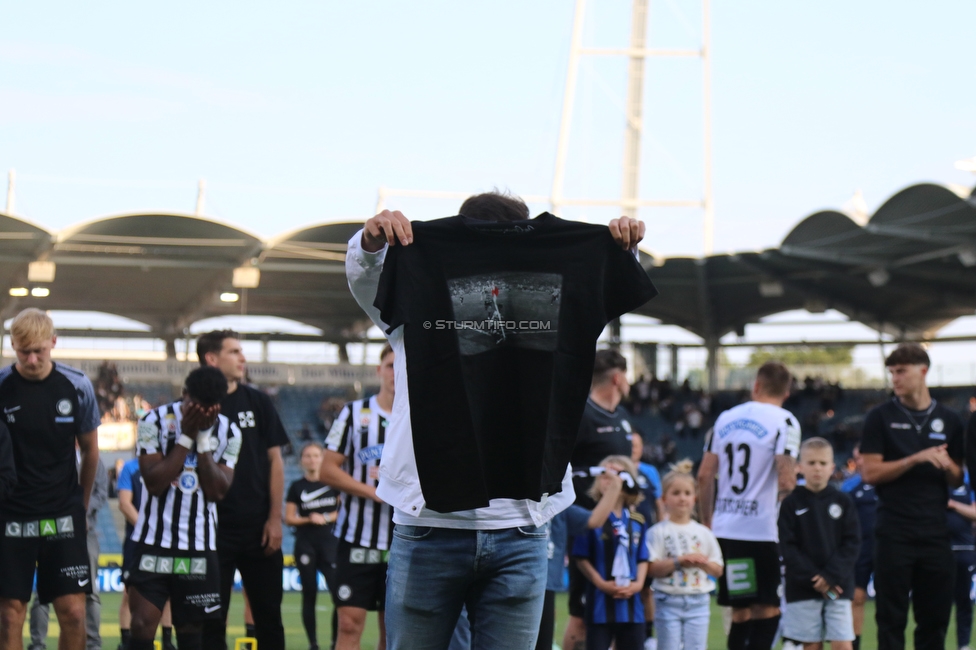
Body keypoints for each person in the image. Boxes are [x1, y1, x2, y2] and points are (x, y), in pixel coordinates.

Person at [346, 195, 655, 650]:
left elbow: (613, 279)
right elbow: (365, 273)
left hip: (514, 526)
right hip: (440, 523)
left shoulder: (569, 273)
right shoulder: (418, 268)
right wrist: (370, 242)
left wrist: (619, 249)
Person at [0, 308, 101, 650]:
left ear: (53, 343)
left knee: (73, 612)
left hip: (62, 513)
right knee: (9, 614)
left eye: (38, 351)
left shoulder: (77, 385)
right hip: (11, 514)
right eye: (22, 350)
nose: (30, 359)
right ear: (12, 345)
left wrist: (81, 506)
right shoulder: (1, 387)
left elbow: (90, 451)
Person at [125, 366, 242, 650]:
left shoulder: (230, 432)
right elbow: (154, 483)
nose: (200, 412)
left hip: (199, 546)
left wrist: (202, 441)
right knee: (141, 626)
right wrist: (186, 437)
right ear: (184, 394)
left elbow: (217, 492)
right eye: (194, 405)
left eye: (208, 408)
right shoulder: (152, 421)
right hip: (152, 542)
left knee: (191, 634)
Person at [860, 343, 964, 650]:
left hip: (935, 532)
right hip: (893, 531)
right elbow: (869, 473)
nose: (895, 378)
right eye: (892, 372)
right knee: (890, 619)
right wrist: (914, 458)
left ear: (923, 371)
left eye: (901, 371)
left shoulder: (951, 420)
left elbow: (958, 478)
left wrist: (948, 467)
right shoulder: (879, 417)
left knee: (935, 620)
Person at [697, 361, 801, 650]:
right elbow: (786, 480)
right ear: (787, 391)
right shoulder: (785, 421)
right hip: (762, 530)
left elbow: (705, 475)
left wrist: (708, 522)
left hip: (727, 529)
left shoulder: (725, 418)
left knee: (740, 609)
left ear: (756, 385)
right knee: (767, 607)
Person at [197, 330, 289, 650]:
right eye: (234, 351)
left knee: (268, 620)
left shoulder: (259, 401)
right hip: (209, 532)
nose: (243, 358)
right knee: (209, 622)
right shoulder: (195, 405)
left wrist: (275, 520)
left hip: (258, 529)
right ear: (211, 359)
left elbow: (276, 461)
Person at [566, 350, 643, 650]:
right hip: (587, 527)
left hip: (620, 529)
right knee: (581, 613)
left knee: (618, 613)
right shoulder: (580, 414)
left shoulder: (622, 418)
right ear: (617, 377)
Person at [320, 345, 396, 650]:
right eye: (390, 365)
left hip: (403, 541)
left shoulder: (420, 415)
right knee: (349, 624)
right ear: (379, 371)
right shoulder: (353, 414)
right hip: (356, 539)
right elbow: (327, 470)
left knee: (393, 630)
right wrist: (373, 492)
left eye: (402, 365)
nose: (396, 372)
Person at [778, 437, 860, 650]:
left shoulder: (843, 501)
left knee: (842, 643)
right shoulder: (790, 504)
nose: (817, 468)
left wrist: (830, 576)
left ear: (832, 467)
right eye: (811, 463)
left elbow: (851, 544)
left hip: (838, 586)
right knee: (811, 645)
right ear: (799, 467)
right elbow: (788, 548)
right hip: (803, 587)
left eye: (822, 463)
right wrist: (815, 579)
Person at [537, 466, 627, 650]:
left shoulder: (558, 506)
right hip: (519, 578)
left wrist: (615, 487)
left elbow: (594, 521)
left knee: (542, 643)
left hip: (546, 583)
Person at [28, 453, 109, 650]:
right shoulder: (53, 453)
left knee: (90, 592)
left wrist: (81, 511)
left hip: (85, 531)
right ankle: (37, 643)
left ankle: (93, 643)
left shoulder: (95, 460)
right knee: (43, 592)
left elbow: (101, 494)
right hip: (54, 530)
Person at [571, 455, 650, 650]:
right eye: (604, 475)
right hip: (600, 604)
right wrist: (601, 583)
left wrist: (638, 584)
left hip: (632, 606)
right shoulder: (590, 519)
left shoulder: (637, 520)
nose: (610, 479)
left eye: (616, 474)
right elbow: (581, 558)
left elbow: (643, 557)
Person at [646, 460, 724, 650]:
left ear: (694, 499)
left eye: (687, 493)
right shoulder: (657, 532)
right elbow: (651, 569)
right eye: (676, 493)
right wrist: (679, 561)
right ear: (664, 499)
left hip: (698, 602)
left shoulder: (703, 533)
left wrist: (701, 563)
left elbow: (718, 569)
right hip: (667, 600)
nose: (682, 498)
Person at [117, 456, 176, 650]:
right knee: (130, 592)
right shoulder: (130, 468)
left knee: (167, 591)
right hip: (137, 541)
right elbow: (125, 503)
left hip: (166, 540)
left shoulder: (172, 462)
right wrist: (149, 528)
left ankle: (167, 641)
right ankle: (126, 641)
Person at [286, 441, 340, 650]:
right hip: (305, 545)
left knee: (339, 596)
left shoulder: (332, 484)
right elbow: (289, 518)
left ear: (322, 458)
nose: (312, 459)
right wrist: (310, 519)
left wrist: (324, 516)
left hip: (331, 546)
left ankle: (336, 642)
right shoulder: (297, 487)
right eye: (307, 456)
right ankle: (313, 644)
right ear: (301, 461)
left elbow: (342, 511)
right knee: (309, 594)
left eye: (316, 455)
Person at [840, 444, 877, 650]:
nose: (859, 461)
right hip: (859, 550)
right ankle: (855, 646)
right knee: (857, 598)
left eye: (862, 457)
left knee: (890, 601)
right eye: (856, 457)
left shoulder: (886, 483)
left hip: (886, 548)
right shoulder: (850, 486)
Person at [946, 471, 976, 650]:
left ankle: (963, 644)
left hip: (965, 550)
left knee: (964, 600)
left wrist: (953, 505)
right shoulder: (939, 481)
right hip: (940, 550)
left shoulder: (970, 483)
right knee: (936, 601)